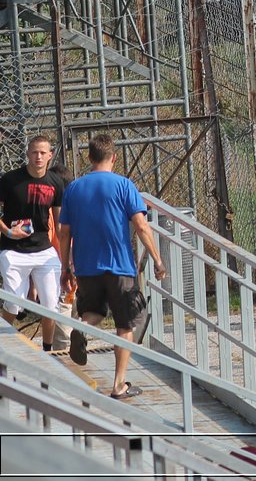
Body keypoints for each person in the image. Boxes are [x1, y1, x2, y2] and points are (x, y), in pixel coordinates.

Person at [56, 133, 166, 400]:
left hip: (85, 265)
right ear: (114, 157)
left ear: (89, 157)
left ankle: (81, 326)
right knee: (125, 324)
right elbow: (140, 225)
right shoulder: (124, 185)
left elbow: (64, 232)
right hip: (119, 265)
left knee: (93, 310)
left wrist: (65, 267)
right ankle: (118, 385)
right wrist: (158, 260)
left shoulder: (74, 188)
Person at [0, 134, 69, 352]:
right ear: (28, 154)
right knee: (13, 303)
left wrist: (67, 260)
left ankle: (47, 351)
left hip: (43, 250)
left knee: (51, 306)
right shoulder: (10, 180)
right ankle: (5, 351)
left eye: (43, 153)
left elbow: (59, 225)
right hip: (13, 250)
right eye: (34, 152)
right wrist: (8, 231)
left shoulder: (56, 182)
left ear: (50, 155)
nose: (38, 157)